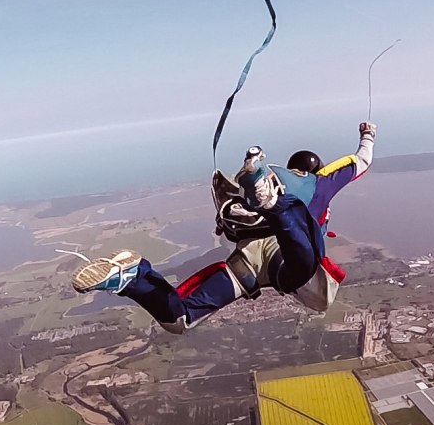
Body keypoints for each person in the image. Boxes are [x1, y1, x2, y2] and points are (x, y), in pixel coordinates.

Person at [70, 121, 376, 333]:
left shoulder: (283, 178)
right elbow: (362, 161)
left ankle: (131, 279)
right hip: (279, 251)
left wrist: (366, 136)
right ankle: (275, 207)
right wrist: (368, 135)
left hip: (248, 263)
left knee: (181, 319)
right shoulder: (320, 183)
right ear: (315, 167)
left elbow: (230, 228)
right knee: (304, 264)